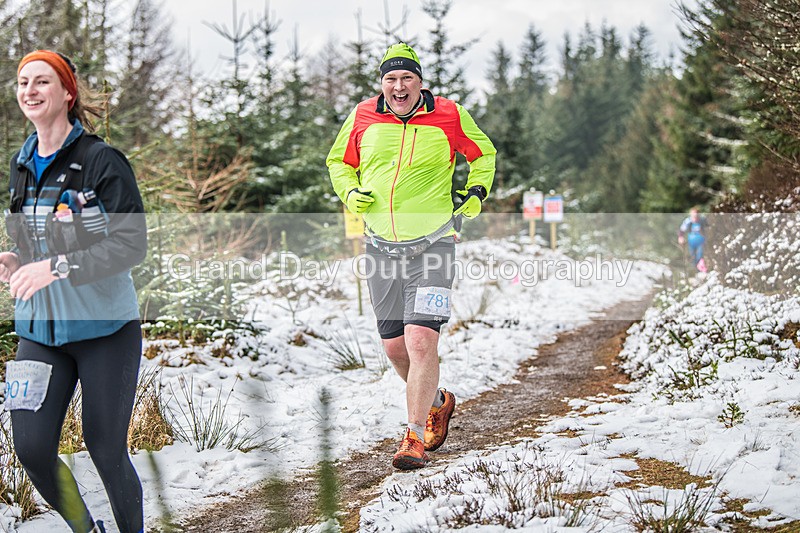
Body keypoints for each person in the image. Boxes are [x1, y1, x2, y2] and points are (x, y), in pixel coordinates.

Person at [327, 43, 496, 470]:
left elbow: (484, 155)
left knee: (421, 339)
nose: (399, 86)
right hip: (380, 247)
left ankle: (414, 437)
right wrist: (350, 192)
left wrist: (476, 193)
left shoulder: (449, 115)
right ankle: (437, 401)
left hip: (433, 246)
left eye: (407, 78)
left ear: (420, 81)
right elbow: (338, 163)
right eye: (391, 79)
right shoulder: (363, 116)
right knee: (395, 347)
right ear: (382, 83)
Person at [0, 50, 147, 533]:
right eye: (23, 82)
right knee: (31, 449)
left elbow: (131, 244)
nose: (30, 90)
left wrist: (58, 267)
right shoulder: (22, 164)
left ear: (67, 92)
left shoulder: (101, 161)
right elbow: (31, 244)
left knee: (105, 448)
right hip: (40, 331)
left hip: (105, 330)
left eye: (42, 81)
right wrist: (16, 261)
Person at [678, 207, 708, 273]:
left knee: (700, 256)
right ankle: (696, 272)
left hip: (701, 241)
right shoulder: (688, 221)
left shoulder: (702, 220)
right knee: (693, 257)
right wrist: (680, 237)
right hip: (691, 242)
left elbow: (709, 228)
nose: (695, 216)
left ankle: (701, 270)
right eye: (693, 214)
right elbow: (681, 230)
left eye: (696, 214)